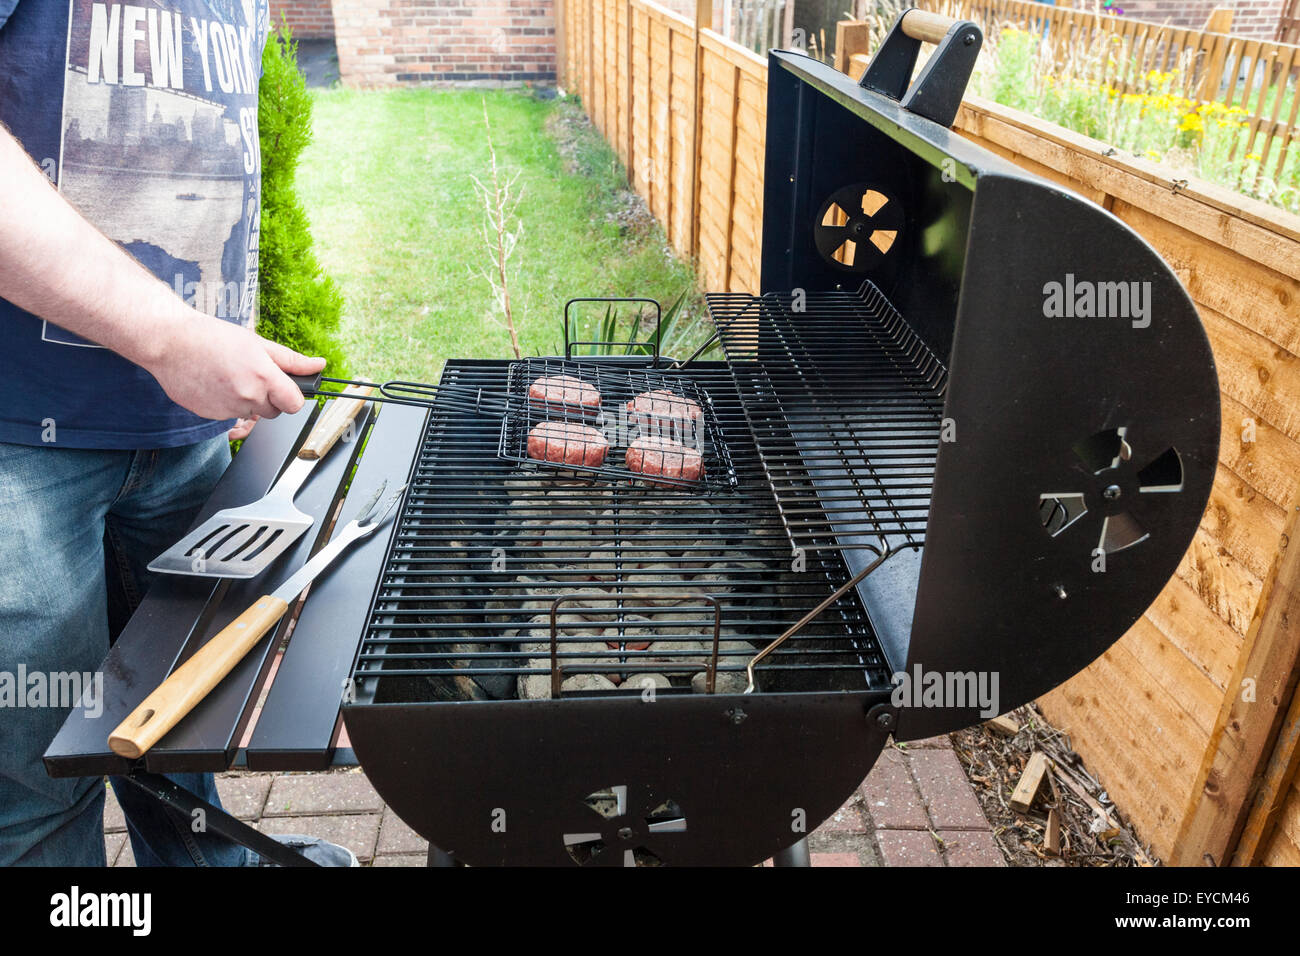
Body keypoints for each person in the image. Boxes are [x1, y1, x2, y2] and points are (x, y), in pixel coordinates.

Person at [0, 0, 353, 865]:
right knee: (36, 787)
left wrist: (213, 342)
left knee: (178, 735)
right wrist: (171, 337)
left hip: (180, 430)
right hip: (16, 442)